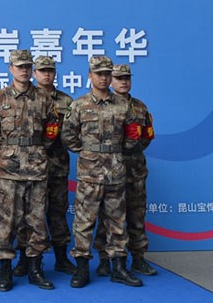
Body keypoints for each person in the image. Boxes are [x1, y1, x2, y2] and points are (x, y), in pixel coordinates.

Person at [62, 56, 143, 288]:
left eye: (107, 73)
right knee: (84, 221)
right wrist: (89, 152)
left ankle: (119, 268)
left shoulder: (123, 105)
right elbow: (68, 135)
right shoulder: (79, 105)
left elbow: (133, 134)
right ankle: (82, 269)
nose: (104, 77)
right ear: (90, 76)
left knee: (117, 220)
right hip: (89, 172)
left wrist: (116, 152)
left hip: (116, 171)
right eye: (99, 73)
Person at [0, 50, 58, 292]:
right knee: (8, 220)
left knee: (36, 220)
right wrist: (7, 149)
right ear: (11, 69)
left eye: (28, 66)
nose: (24, 70)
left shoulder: (44, 98)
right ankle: (6, 270)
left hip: (36, 167)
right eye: (19, 66)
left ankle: (35, 269)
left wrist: (36, 148)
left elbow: (52, 129)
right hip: (9, 169)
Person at [12, 56, 76, 276]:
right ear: (34, 73)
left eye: (50, 70)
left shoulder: (67, 101)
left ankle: (61, 258)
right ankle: (24, 259)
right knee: (26, 214)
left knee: (57, 212)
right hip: (28, 166)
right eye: (42, 70)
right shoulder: (25, 97)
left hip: (56, 165)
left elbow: (72, 132)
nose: (46, 74)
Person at [93, 64, 156, 276]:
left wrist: (131, 149)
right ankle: (104, 259)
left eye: (127, 78)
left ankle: (138, 258)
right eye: (119, 78)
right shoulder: (104, 104)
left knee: (137, 214)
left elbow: (147, 135)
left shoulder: (140, 107)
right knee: (107, 215)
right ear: (110, 80)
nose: (123, 82)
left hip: (134, 169)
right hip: (109, 169)